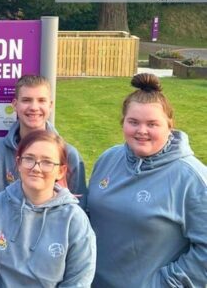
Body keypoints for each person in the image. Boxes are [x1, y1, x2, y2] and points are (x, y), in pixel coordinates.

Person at [88, 73, 207, 287]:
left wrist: (166, 283)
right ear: (123, 122)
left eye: (152, 124)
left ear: (169, 125)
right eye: (133, 122)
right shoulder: (108, 159)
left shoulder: (191, 177)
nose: (142, 131)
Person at [0, 130, 96, 287]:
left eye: (47, 162)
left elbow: (78, 279)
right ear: (19, 163)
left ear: (60, 171)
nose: (36, 168)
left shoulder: (74, 220)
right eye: (29, 159)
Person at [0, 75, 87, 208]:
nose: (34, 107)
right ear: (15, 105)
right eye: (26, 100)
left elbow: (79, 206)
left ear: (50, 105)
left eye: (41, 100)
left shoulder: (68, 154)